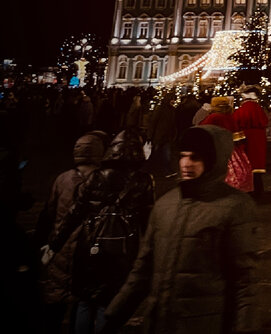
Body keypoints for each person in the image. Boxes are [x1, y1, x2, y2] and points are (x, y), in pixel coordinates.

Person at [102, 125, 258, 333]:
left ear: (213, 161)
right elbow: (143, 269)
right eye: (183, 156)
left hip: (203, 324)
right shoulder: (166, 204)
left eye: (195, 157)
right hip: (161, 322)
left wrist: (245, 327)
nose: (186, 164)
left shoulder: (235, 207)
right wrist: (113, 316)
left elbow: (244, 282)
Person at [46, 130, 155, 333]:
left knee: (86, 301)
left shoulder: (96, 177)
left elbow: (74, 214)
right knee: (110, 301)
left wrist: (54, 245)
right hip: (122, 250)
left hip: (90, 247)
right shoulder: (143, 181)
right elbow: (148, 221)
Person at [34, 131, 106, 333]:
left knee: (54, 304)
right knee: (81, 304)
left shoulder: (62, 179)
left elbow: (49, 213)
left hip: (59, 250)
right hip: (85, 253)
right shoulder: (102, 181)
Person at [232, 87, 269, 197]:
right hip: (259, 139)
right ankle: (259, 189)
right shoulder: (259, 109)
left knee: (246, 165)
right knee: (257, 166)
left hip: (246, 139)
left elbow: (235, 124)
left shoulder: (241, 110)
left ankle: (249, 189)